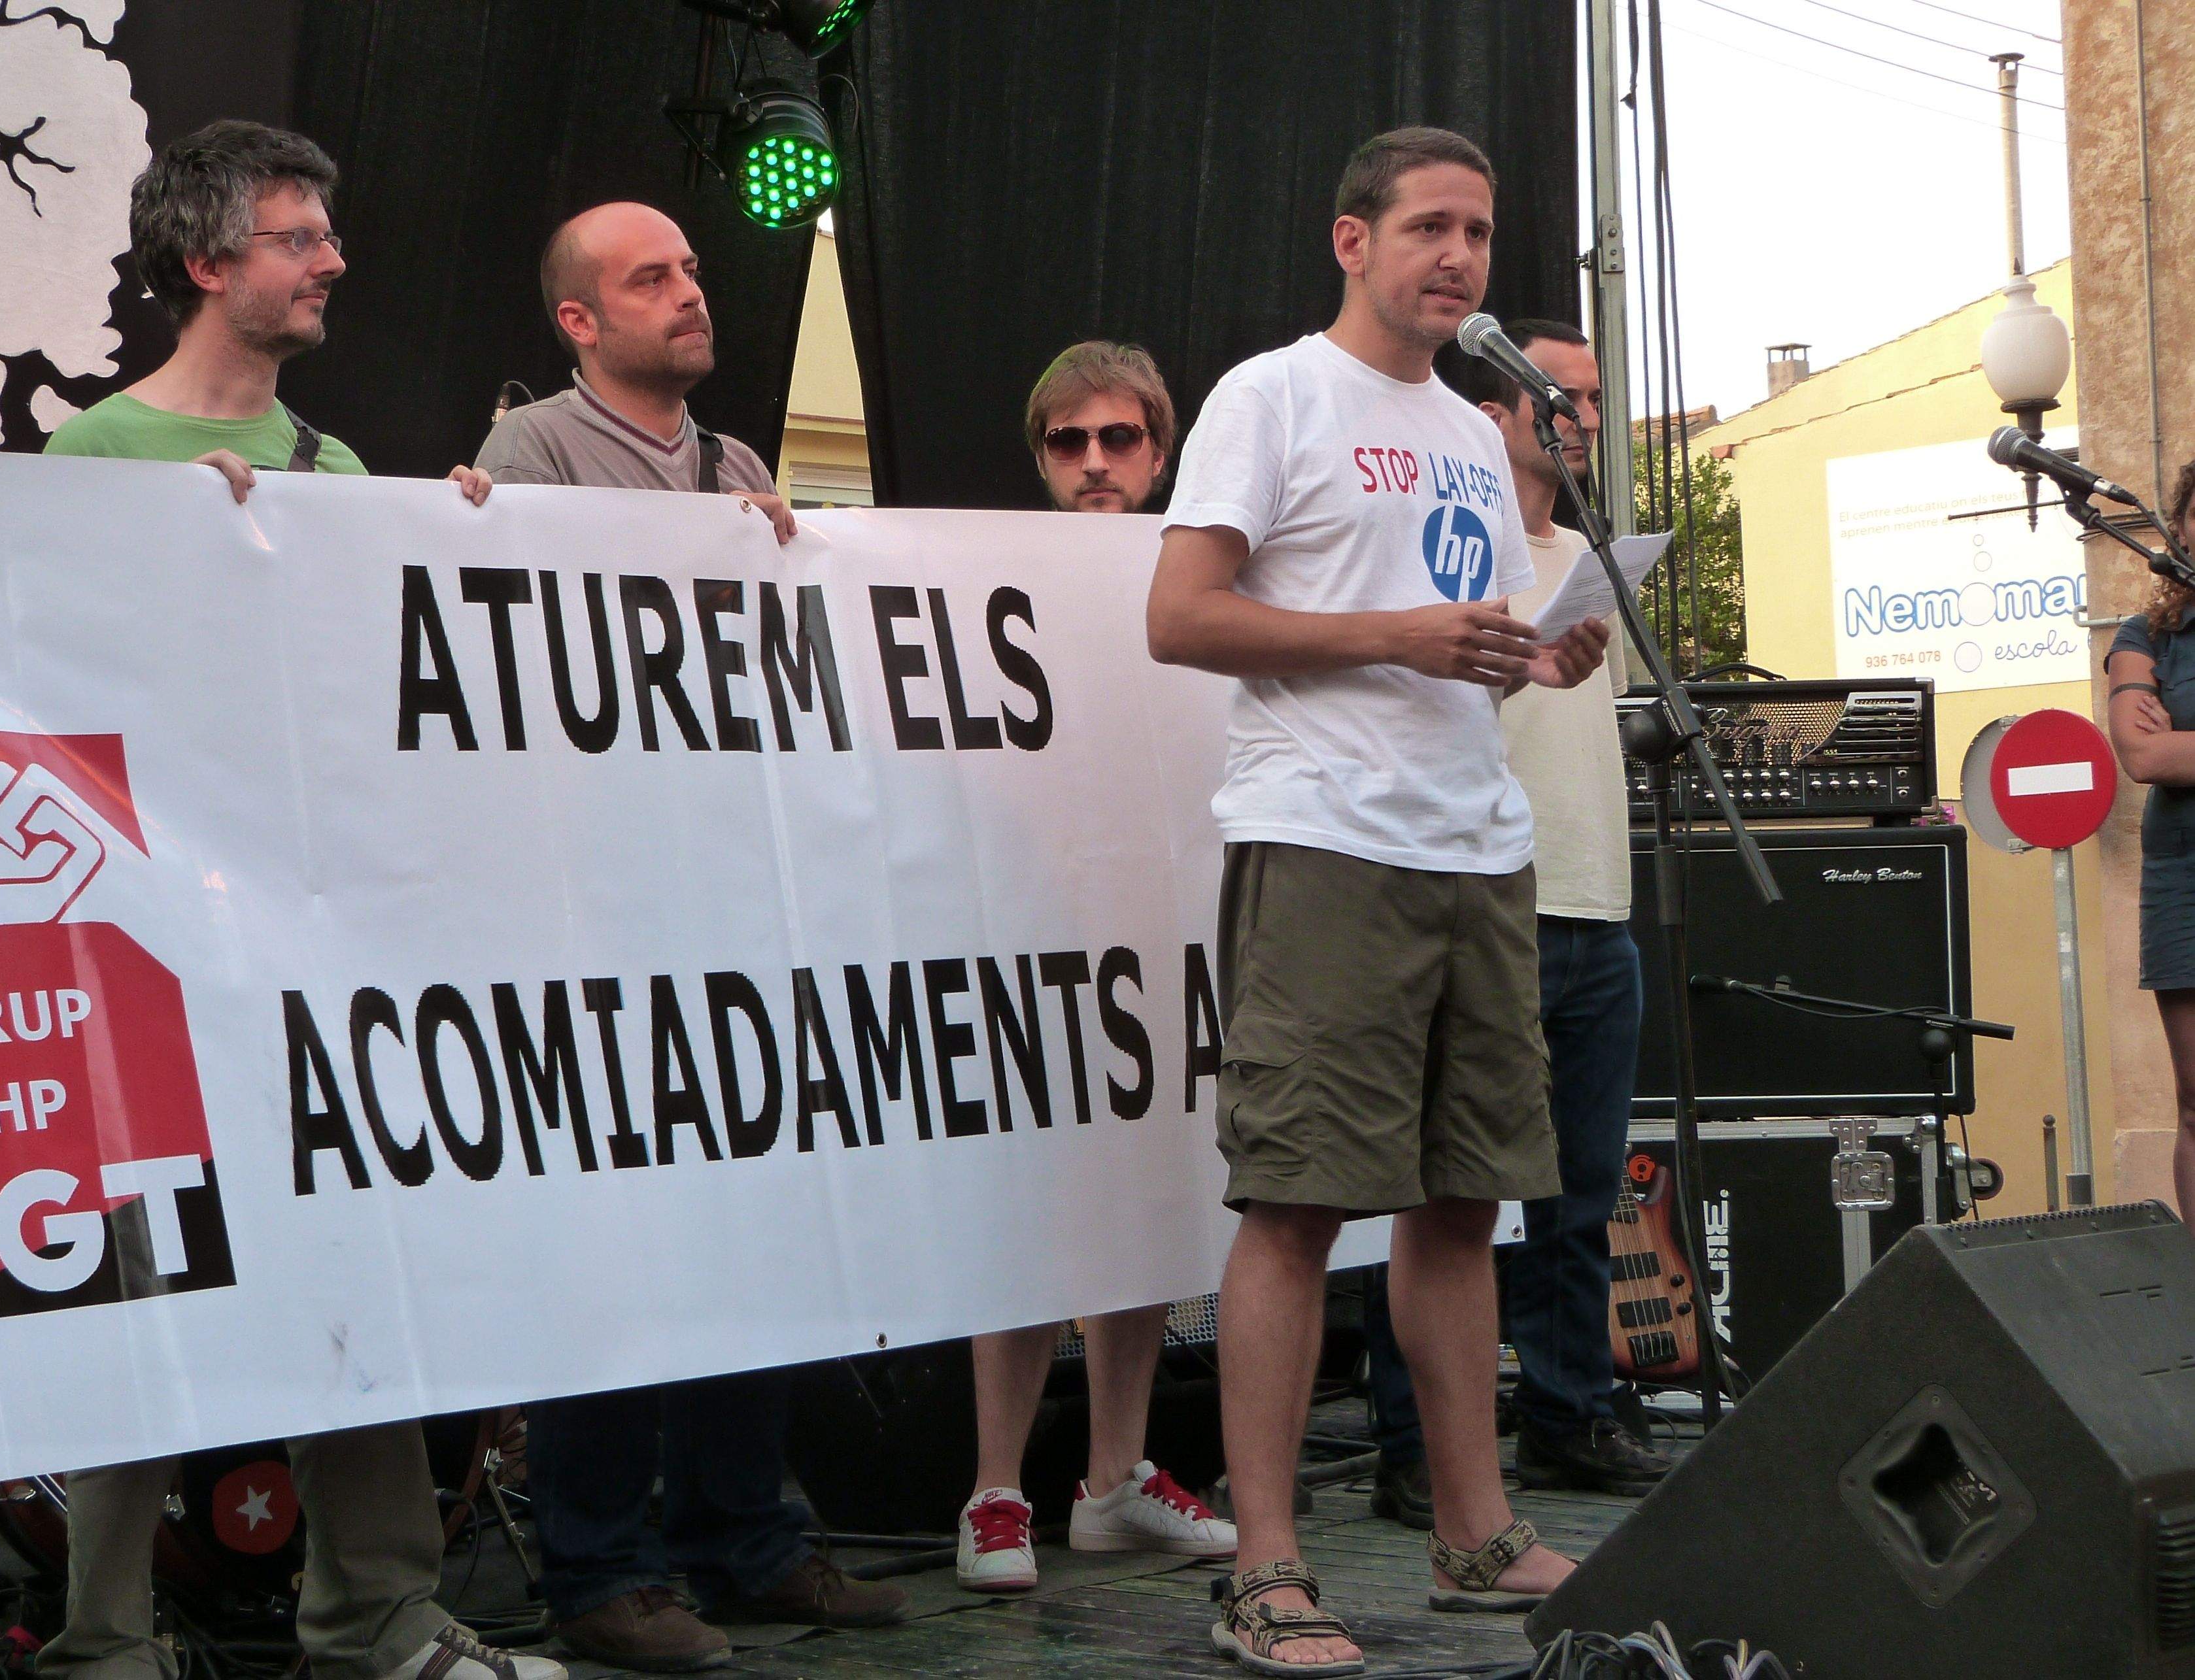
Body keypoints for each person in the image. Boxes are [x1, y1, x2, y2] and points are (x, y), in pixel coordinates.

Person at [35, 122, 544, 1680]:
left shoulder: (339, 472)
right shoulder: (90, 457)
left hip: (311, 953)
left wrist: (448, 552)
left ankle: (376, 1607)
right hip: (144, 950)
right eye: (296, 235)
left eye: (325, 232)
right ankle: (101, 1640)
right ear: (206, 261)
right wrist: (167, 559)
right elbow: (46, 698)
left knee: (350, 1269)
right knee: (143, 1291)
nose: (332, 259)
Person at [1144, 126, 1608, 1673]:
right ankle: (1266, 1567)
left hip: (1477, 844)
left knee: (1465, 1199)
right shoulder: (1271, 396)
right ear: (1353, 241)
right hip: (1326, 838)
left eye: (1477, 231)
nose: (1459, 256)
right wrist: (1395, 635)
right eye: (1429, 227)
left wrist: (1537, 654)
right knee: (1298, 1202)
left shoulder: (1478, 432)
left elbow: (1456, 643)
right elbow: (1180, 616)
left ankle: (1475, 1533)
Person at [472, 201, 906, 1673]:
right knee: (621, 1247)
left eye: (693, 270)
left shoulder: (735, 470)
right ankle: (600, 1565)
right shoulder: (531, 452)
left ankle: (746, 1537)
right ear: (579, 322)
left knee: (752, 1235)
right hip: (597, 921)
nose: (689, 292)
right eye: (649, 277)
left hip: (732, 908)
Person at [1360, 320, 1669, 1532]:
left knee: (1583, 1188)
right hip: (1492, 897)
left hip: (1598, 902)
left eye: (1586, 397)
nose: (1577, 417)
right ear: (1494, 415)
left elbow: (1603, 718)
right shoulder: (1451, 542)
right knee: (1451, 1190)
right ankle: (1413, 1443)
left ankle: (1564, 1410)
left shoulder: (1587, 553)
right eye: (1556, 395)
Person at [953, 340, 1236, 1596]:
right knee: (1027, 1223)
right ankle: (994, 1491)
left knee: (1149, 1207)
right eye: (1068, 442)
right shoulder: (974, 575)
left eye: (1118, 438)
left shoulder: (1207, 576)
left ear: (1159, 451)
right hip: (1024, 937)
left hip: (1168, 937)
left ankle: (1114, 1478)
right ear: (1039, 457)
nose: (1094, 462)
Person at [2105, 458, 2195, 1219]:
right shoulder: (2145, 637)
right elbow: (2144, 755)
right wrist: (2168, 750)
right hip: (2184, 878)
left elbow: (2173, 749)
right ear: (2182, 527)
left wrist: (2183, 742)